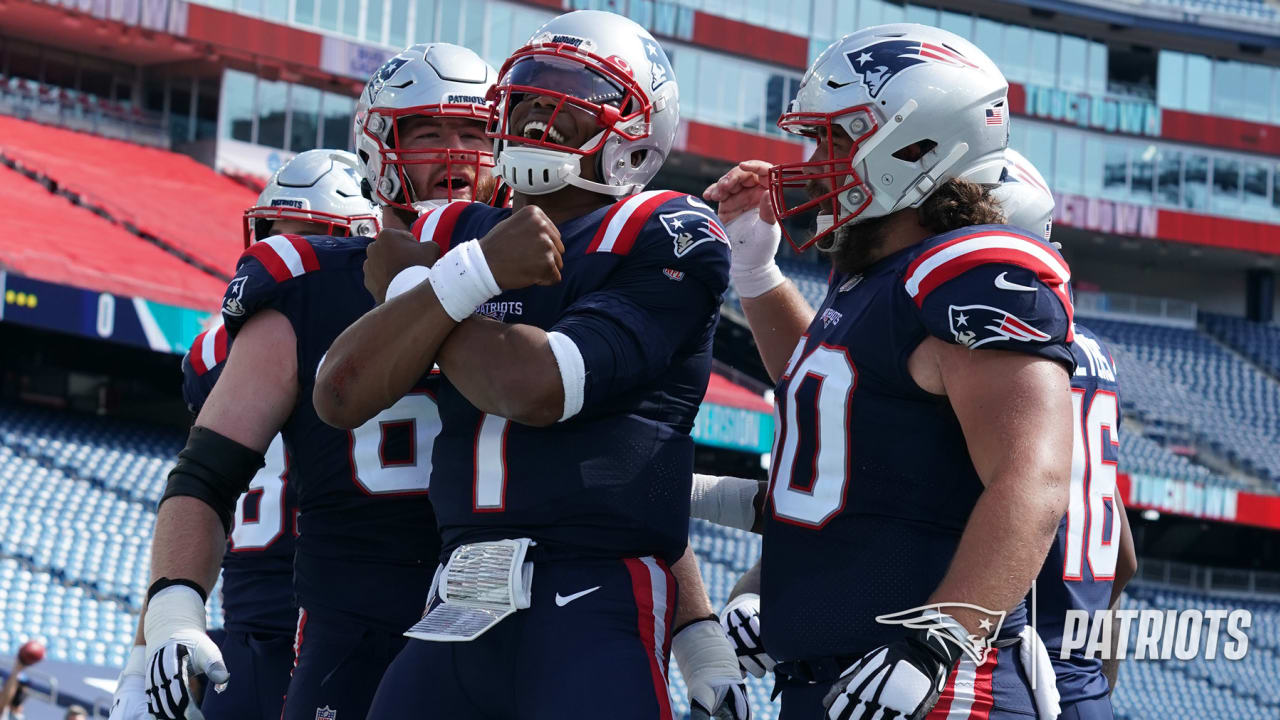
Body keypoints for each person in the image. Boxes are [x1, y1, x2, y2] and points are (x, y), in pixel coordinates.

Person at [315, 11, 749, 719]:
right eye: (529, 97)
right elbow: (339, 394)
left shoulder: (666, 230)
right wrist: (468, 271)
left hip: (594, 593)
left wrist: (432, 289)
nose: (537, 117)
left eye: (567, 102)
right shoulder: (453, 229)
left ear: (634, 131)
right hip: (459, 590)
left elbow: (533, 386)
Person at [698, 23, 1076, 719]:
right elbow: (835, 400)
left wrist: (937, 641)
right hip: (834, 680)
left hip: (934, 692)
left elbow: (1035, 478)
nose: (812, 162)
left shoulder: (968, 272)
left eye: (834, 140)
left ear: (916, 143)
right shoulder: (879, 277)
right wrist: (753, 271)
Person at [135, 43, 500, 720]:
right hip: (352, 618)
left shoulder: (543, 278)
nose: (458, 154)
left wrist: (695, 634)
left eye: (476, 133)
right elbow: (204, 475)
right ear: (378, 146)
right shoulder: (308, 284)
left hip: (501, 621)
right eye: (429, 132)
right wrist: (172, 609)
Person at [110, 148, 384, 720]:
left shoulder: (220, 347)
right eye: (273, 236)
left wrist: (139, 661)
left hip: (310, 619)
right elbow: (196, 494)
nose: (279, 259)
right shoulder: (254, 345)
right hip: (289, 622)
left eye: (310, 240)